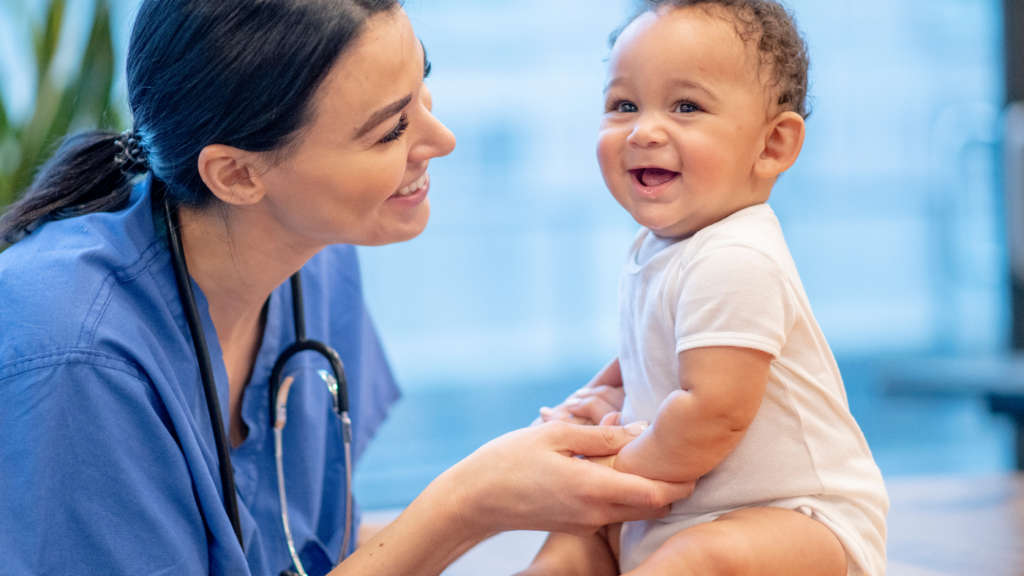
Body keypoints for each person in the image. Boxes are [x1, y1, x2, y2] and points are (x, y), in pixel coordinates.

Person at [0, 1, 698, 574]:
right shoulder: (71, 352)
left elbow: (313, 554)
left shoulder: (315, 263)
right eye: (391, 129)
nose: (441, 138)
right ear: (237, 175)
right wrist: (471, 501)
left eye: (423, 89)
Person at [524, 1, 889, 575]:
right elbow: (650, 346)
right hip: (683, 506)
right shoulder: (663, 245)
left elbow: (712, 413)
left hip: (799, 521)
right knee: (573, 542)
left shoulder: (735, 255)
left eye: (686, 106)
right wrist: (589, 400)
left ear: (772, 146)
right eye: (624, 105)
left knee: (699, 555)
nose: (644, 130)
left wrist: (607, 473)